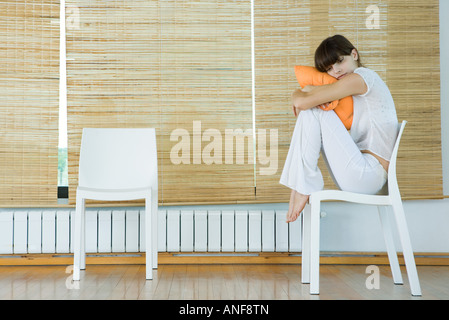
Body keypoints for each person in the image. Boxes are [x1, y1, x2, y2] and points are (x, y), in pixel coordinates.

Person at [280, 35, 398, 223]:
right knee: (313, 111)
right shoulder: (355, 86)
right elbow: (304, 99)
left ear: (354, 54)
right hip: (361, 172)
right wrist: (301, 94)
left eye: (339, 61)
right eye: (329, 69)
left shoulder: (363, 78)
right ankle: (301, 184)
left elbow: (303, 101)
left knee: (315, 111)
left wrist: (301, 94)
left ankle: (302, 186)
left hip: (368, 174)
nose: (335, 70)